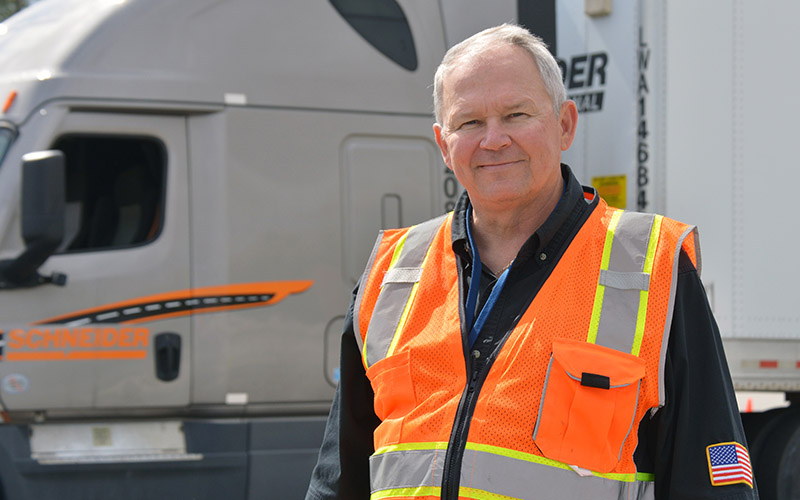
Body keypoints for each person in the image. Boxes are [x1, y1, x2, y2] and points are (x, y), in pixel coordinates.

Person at [305, 24, 757, 500]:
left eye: (516, 114)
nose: (494, 139)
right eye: (470, 123)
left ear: (565, 124)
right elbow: (340, 480)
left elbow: (713, 481)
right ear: (443, 144)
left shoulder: (654, 267)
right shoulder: (392, 275)